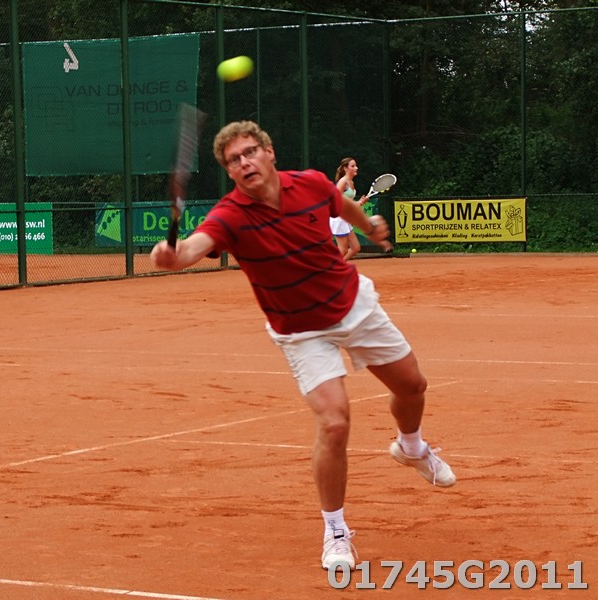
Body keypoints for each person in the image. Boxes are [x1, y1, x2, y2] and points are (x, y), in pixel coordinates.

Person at [150, 121, 454, 571]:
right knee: (334, 422)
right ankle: (336, 531)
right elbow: (193, 248)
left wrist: (369, 226)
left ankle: (411, 447)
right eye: (234, 160)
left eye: (250, 152)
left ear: (269, 152)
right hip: (300, 330)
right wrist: (170, 256)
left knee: (412, 387)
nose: (244, 162)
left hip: (352, 304)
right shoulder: (230, 216)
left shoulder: (310, 184)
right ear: (229, 172)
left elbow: (341, 206)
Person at [330, 157, 369, 261]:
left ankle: (338, 266)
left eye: (356, 165)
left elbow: (348, 202)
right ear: (345, 168)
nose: (356, 168)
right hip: (339, 218)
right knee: (343, 250)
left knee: (355, 248)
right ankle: (328, 267)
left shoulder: (351, 182)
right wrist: (358, 203)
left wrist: (360, 202)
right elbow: (336, 200)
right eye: (353, 166)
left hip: (345, 218)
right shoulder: (343, 182)